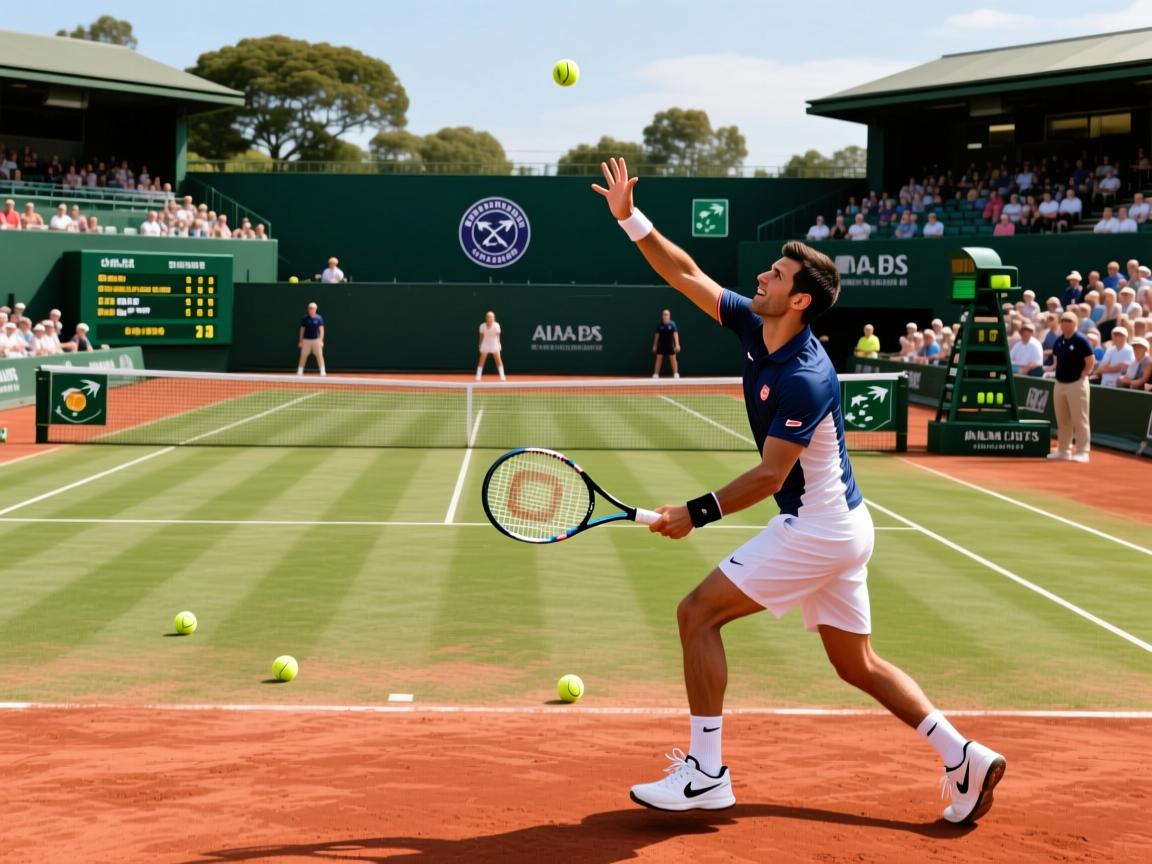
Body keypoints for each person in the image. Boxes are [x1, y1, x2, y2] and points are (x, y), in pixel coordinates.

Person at [591, 156, 1004, 823]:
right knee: (857, 664)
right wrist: (629, 217)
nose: (761, 276)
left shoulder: (806, 377)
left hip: (817, 526)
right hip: (845, 524)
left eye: (776, 275)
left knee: (697, 614)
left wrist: (691, 514)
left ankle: (705, 772)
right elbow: (685, 272)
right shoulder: (758, 326)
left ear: (801, 298)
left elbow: (769, 477)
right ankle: (964, 756)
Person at [1045, 311, 1094, 462]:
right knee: (1063, 419)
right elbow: (1057, 361)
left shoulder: (1081, 340)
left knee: (1080, 419)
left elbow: (1090, 360)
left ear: (1075, 324)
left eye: (1069, 321)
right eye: (1063, 320)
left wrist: (1084, 374)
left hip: (1076, 384)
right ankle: (1064, 450)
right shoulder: (1059, 341)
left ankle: (1082, 451)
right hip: (1060, 383)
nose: (1065, 323)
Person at [297, 302, 327, 376]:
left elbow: (321, 330)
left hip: (316, 340)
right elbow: (302, 330)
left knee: (319, 355)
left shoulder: (319, 318)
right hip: (306, 340)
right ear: (308, 309)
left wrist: (321, 340)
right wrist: (301, 341)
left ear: (316, 309)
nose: (311, 310)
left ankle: (322, 371)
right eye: (310, 308)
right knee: (303, 355)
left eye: (313, 308)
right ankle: (300, 371)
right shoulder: (305, 318)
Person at [476, 310, 505, 381]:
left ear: (494, 318)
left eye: (491, 317)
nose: (490, 318)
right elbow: (481, 336)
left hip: (494, 344)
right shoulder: (482, 326)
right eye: (489, 317)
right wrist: (480, 344)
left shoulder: (496, 325)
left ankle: (502, 376)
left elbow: (498, 336)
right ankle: (478, 376)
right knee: (481, 361)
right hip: (485, 344)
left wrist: (499, 344)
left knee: (498, 360)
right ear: (486, 318)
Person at [652, 309, 681, 378]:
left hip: (670, 345)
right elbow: (657, 336)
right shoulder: (659, 325)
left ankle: (676, 373)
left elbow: (675, 334)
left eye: (666, 314)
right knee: (658, 358)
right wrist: (655, 345)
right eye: (664, 314)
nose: (665, 316)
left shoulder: (672, 324)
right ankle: (656, 374)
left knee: (673, 359)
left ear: (669, 316)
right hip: (661, 345)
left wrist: (677, 344)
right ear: (662, 316)